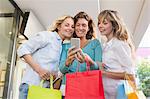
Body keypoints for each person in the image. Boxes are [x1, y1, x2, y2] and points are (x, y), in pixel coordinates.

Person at [17, 15, 74, 99]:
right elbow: (22, 48)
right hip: (31, 87)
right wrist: (39, 70)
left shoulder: (62, 46)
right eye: (67, 25)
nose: (70, 28)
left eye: (72, 26)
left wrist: (54, 75)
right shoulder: (47, 36)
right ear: (59, 26)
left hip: (45, 91)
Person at [59, 11, 102, 97]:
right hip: (68, 88)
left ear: (88, 28)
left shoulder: (95, 43)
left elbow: (99, 68)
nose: (80, 28)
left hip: (87, 88)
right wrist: (68, 62)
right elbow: (62, 69)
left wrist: (88, 60)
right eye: (78, 25)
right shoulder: (66, 45)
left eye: (84, 25)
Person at [97, 10, 136, 99]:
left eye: (105, 23)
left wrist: (104, 73)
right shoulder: (105, 45)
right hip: (107, 94)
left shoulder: (119, 44)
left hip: (119, 95)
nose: (100, 26)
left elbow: (130, 75)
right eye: (99, 23)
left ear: (114, 25)